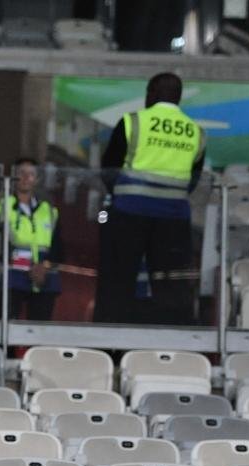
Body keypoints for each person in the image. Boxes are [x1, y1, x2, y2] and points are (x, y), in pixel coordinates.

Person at [97, 72, 206, 325]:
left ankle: (108, 345)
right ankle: (170, 348)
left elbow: (108, 169)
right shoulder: (196, 132)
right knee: (170, 286)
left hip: (128, 214)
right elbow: (193, 179)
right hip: (174, 219)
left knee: (117, 282)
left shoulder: (132, 122)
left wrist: (122, 193)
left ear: (151, 93)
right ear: (178, 97)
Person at [0, 158, 64, 321]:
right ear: (12, 177)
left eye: (31, 174)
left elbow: (59, 248)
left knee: (40, 334)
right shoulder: (0, 208)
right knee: (8, 331)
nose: (26, 178)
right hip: (13, 279)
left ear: (37, 179)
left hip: (45, 280)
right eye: (21, 173)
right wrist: (30, 267)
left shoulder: (49, 211)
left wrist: (44, 267)